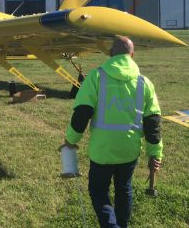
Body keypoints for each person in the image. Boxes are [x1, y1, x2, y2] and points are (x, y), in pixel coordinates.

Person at [62, 36, 162, 228]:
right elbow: (153, 123)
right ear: (132, 55)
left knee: (98, 191)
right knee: (124, 189)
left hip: (102, 152)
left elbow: (82, 113)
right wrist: (155, 153)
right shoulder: (144, 83)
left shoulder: (96, 77)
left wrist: (71, 140)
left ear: (110, 54)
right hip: (129, 151)